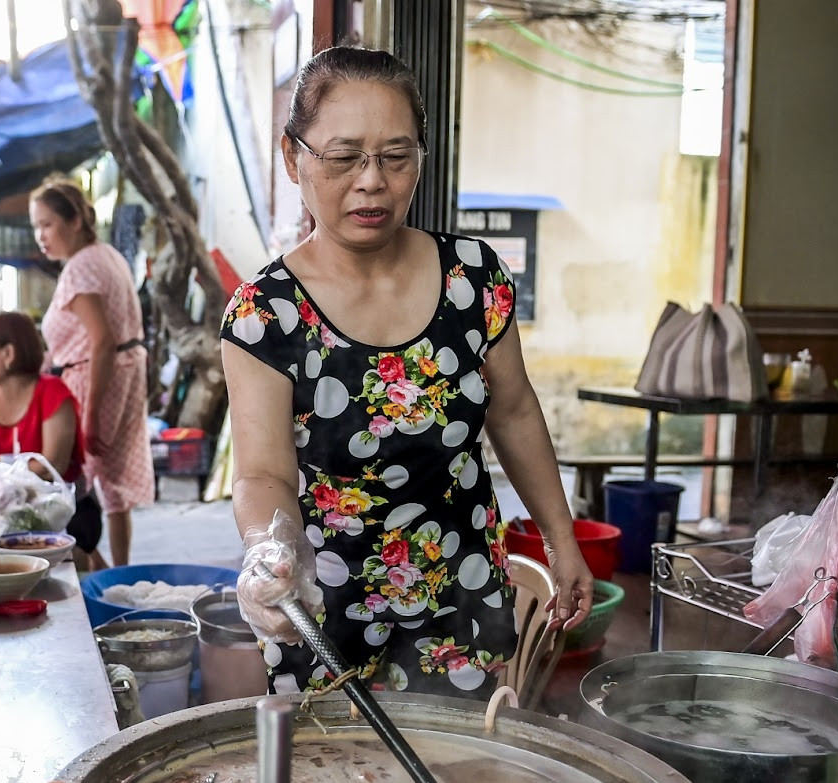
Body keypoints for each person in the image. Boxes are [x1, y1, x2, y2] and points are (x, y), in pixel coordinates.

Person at [220, 46, 593, 699]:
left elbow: (514, 412)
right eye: (343, 157)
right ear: (293, 157)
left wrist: (562, 539)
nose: (372, 181)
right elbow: (262, 472)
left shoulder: (473, 281)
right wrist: (266, 550)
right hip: (323, 610)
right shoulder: (265, 315)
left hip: (462, 598)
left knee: (462, 767)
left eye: (396, 156)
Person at [34, 176, 154, 568]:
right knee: (113, 488)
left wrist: (89, 418)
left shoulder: (82, 268)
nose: (41, 236)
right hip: (124, 371)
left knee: (78, 485)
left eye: (47, 224)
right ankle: (118, 573)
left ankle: (99, 570)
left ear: (74, 222)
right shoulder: (106, 255)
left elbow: (101, 340)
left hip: (97, 378)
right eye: (36, 227)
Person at [0, 311, 103, 561]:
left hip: (64, 514)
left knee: (74, 562)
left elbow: (51, 466)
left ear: (8, 354)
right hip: (6, 518)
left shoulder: (51, 392)